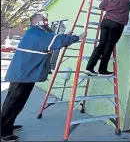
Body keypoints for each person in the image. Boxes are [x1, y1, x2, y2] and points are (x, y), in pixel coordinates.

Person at [1, 14, 87, 142]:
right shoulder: (35, 33)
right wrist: (78, 37)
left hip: (26, 74)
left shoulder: (37, 33)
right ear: (36, 22)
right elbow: (55, 41)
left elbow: (53, 39)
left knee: (17, 102)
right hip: (22, 75)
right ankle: (4, 133)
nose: (46, 22)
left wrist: (66, 36)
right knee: (13, 103)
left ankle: (7, 125)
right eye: (43, 20)